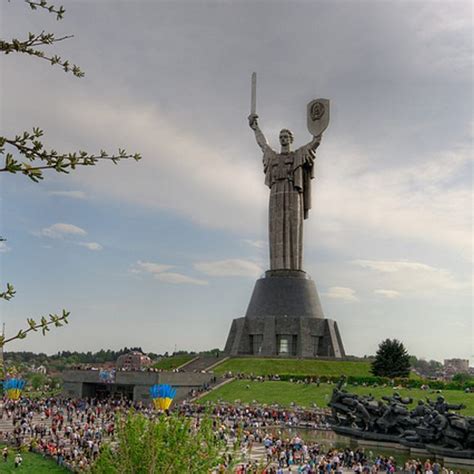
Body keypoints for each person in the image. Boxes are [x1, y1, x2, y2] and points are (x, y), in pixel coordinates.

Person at [248, 113, 321, 271]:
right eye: (281, 136)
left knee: (293, 228)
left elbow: (314, 143)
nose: (283, 138)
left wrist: (318, 130)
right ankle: (277, 267)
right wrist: (256, 129)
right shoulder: (273, 157)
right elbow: (263, 145)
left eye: (286, 136)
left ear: (291, 139)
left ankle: (293, 268)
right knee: (276, 230)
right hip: (275, 195)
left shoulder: (298, 155)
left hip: (293, 193)